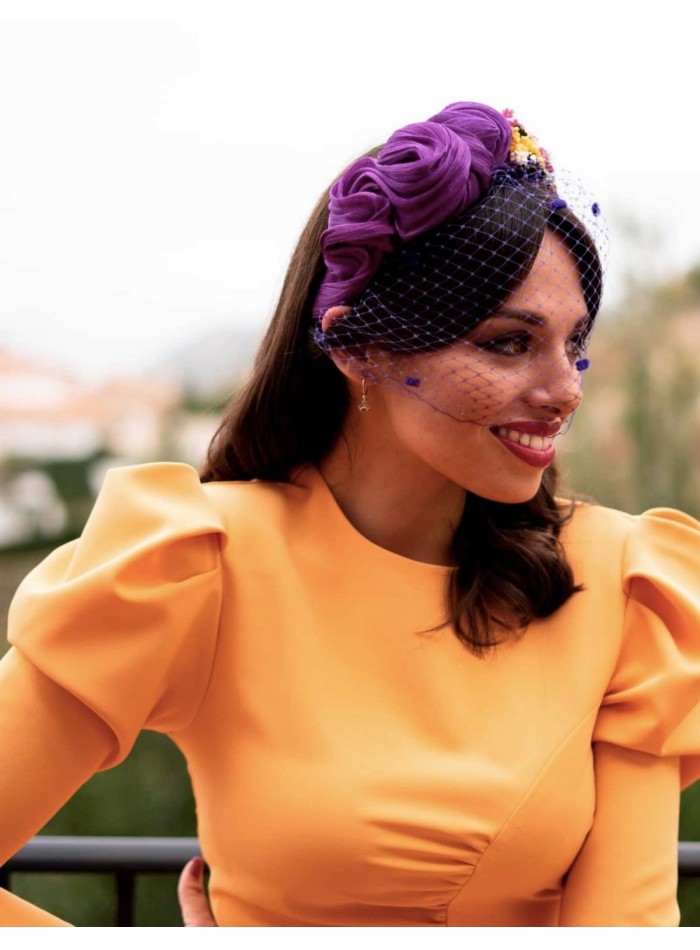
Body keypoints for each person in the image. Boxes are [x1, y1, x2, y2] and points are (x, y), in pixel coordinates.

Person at [1, 101, 699, 928]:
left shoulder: (628, 586)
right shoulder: (194, 559)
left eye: (574, 343)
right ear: (356, 346)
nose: (566, 389)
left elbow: (626, 933)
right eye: (510, 342)